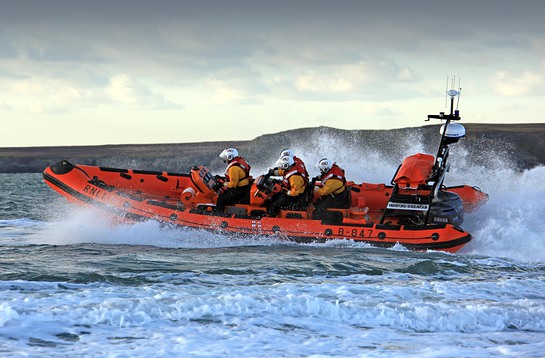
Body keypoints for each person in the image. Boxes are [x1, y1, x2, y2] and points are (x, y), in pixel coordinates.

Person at [215, 148, 252, 212]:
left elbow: (233, 184)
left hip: (239, 189)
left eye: (226, 157)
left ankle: (219, 216)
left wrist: (223, 184)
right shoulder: (240, 161)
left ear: (230, 157)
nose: (225, 159)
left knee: (221, 199)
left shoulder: (233, 168)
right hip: (245, 185)